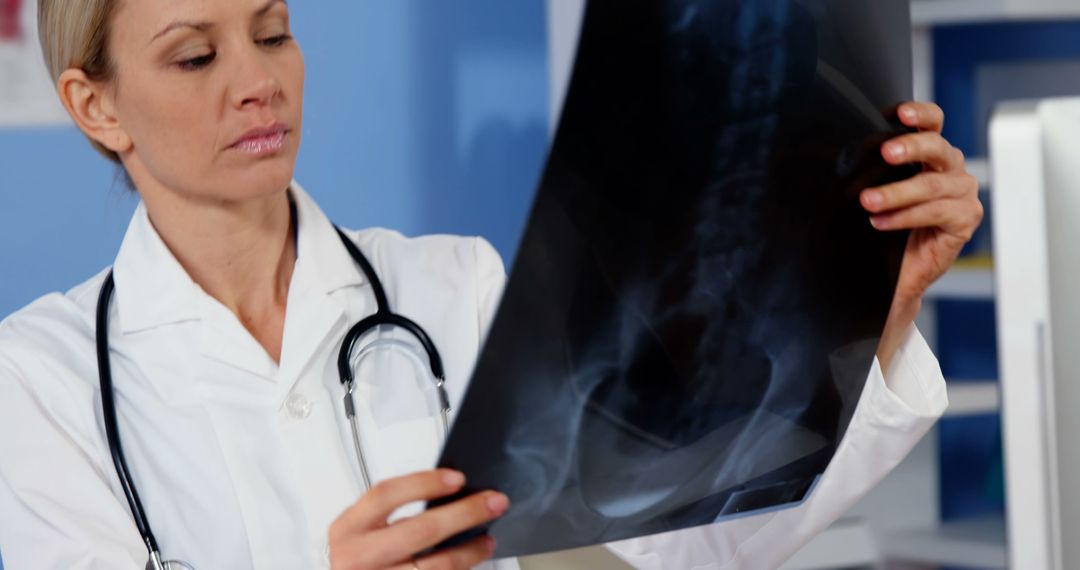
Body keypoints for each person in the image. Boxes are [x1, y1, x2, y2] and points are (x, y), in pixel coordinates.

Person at [0, 0, 983, 569]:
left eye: (272, 32)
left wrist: (874, 310)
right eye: (195, 55)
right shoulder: (37, 384)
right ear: (97, 107)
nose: (257, 80)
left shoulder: (455, 286)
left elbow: (688, 544)